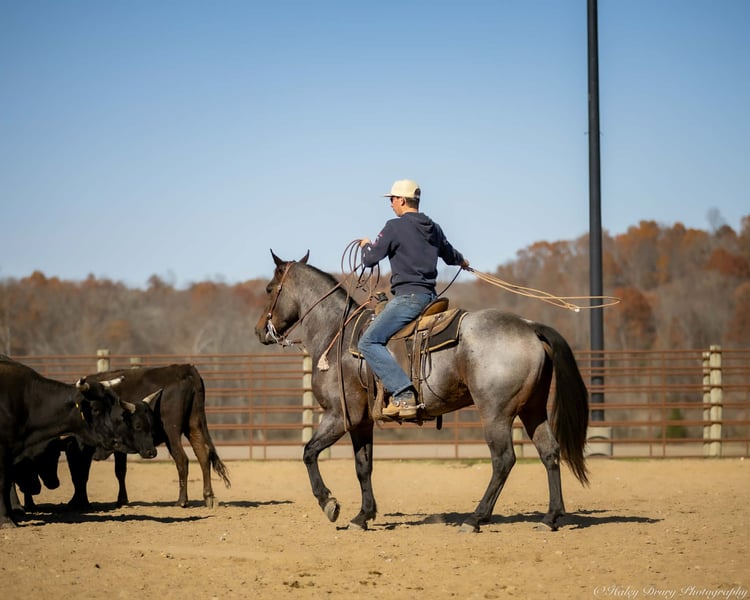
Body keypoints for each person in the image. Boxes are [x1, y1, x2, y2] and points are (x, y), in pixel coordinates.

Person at [358, 179, 470, 419]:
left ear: (401, 200)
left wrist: (365, 246)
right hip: (431, 298)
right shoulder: (434, 227)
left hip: (408, 299)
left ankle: (403, 393)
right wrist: (462, 261)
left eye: (392, 199)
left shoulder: (394, 227)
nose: (390, 204)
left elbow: (370, 259)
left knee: (368, 342)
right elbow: (450, 254)